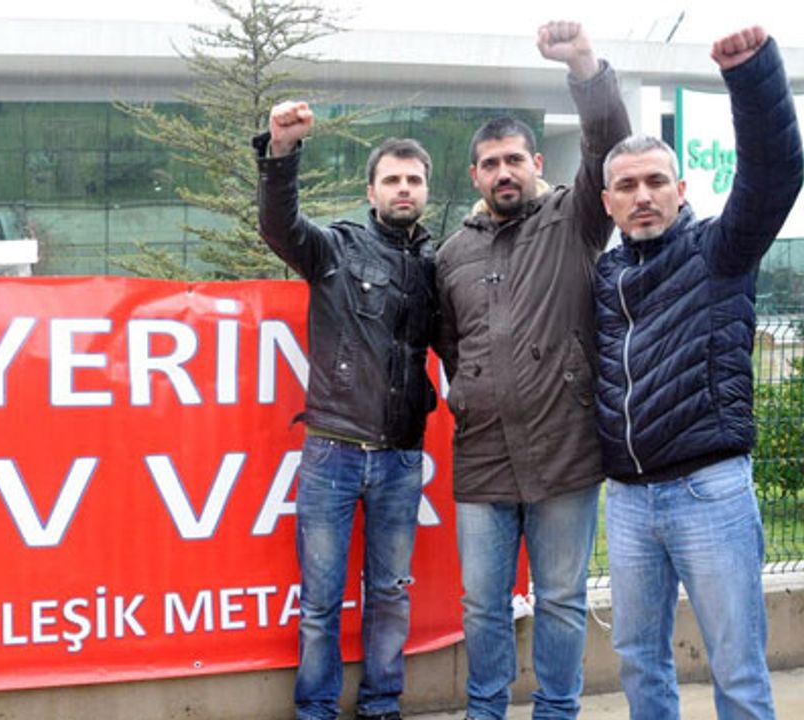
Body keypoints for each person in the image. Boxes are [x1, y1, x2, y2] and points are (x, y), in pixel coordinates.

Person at [593, 26, 801, 720]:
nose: (643, 195)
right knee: (638, 662)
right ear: (608, 202)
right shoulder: (604, 277)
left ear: (681, 190)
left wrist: (753, 77)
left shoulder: (720, 252)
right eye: (627, 185)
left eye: (657, 181)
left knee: (737, 669)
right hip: (627, 501)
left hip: (709, 491)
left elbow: (774, 176)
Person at [432, 21, 630, 720]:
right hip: (483, 456)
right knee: (481, 604)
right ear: (475, 176)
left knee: (563, 600)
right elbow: (453, 348)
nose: (503, 173)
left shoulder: (575, 220)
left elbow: (608, 144)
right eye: (490, 164)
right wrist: (472, 396)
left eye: (514, 159)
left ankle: (557, 711)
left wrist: (584, 65)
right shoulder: (450, 256)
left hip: (565, 453)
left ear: (536, 162)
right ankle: (485, 710)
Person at [254, 107, 438, 720]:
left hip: (402, 458)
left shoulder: (435, 266)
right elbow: (279, 227)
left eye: (413, 180)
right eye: (392, 180)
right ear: (371, 191)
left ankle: (382, 703)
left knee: (391, 595)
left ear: (426, 190)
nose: (403, 189)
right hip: (332, 453)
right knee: (320, 603)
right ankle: (316, 710)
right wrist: (282, 151)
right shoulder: (336, 248)